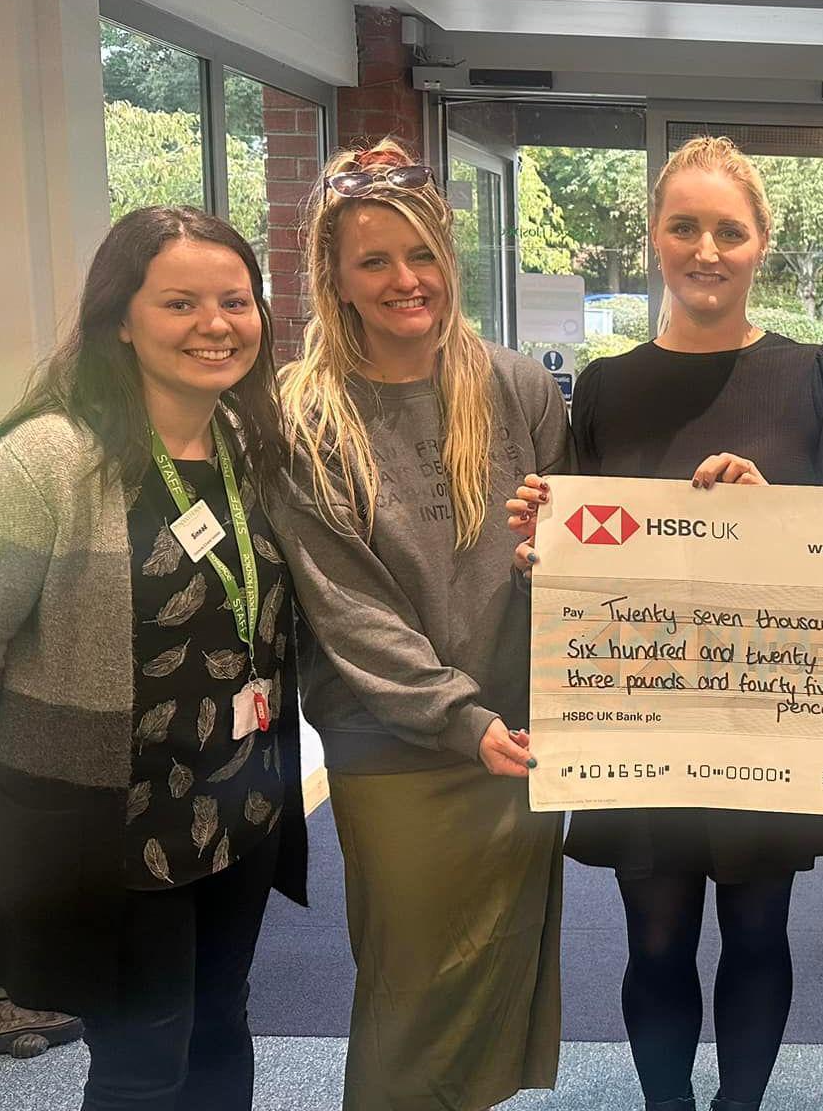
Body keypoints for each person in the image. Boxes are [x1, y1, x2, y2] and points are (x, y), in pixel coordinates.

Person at [0, 206, 307, 1111]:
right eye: (180, 302)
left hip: (237, 813)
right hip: (113, 827)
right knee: (141, 1065)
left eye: (235, 301)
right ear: (120, 317)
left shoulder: (247, 448)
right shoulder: (46, 461)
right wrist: (22, 775)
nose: (215, 324)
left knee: (218, 1027)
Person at [508, 135, 823, 1111]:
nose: (705, 248)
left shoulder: (816, 376)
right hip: (642, 713)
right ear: (653, 239)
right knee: (655, 935)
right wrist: (540, 549)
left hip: (769, 709)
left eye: (728, 230)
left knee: (758, 931)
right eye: (684, 226)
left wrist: (774, 515)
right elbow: (583, 553)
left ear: (760, 245)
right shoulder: (609, 383)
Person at [268, 139, 571, 1111]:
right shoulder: (305, 413)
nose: (406, 280)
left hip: (519, 742)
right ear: (336, 278)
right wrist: (458, 718)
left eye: (421, 255)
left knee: (490, 978)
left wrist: (544, 559)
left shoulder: (517, 388)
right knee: (409, 989)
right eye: (374, 262)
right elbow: (344, 605)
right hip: (396, 748)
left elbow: (568, 557)